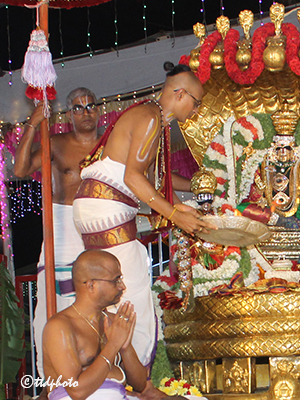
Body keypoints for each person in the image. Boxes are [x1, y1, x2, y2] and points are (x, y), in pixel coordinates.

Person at [72, 62, 215, 394]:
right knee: (132, 294)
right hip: (108, 208)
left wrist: (199, 188)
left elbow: (155, 181)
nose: (196, 110)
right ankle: (140, 385)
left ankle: (117, 378)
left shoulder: (153, 119)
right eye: (196, 102)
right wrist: (175, 215)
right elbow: (133, 178)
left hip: (101, 207)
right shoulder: (151, 117)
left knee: (112, 296)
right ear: (180, 94)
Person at [13, 87, 102, 377]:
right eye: (78, 107)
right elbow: (20, 170)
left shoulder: (110, 144)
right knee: (53, 308)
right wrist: (33, 123)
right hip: (62, 230)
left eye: (90, 106)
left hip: (99, 229)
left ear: (99, 110)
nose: (85, 112)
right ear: (68, 114)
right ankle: (52, 379)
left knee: (99, 301)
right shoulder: (56, 143)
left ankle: (97, 375)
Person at [237, 105, 300, 270]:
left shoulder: (299, 167)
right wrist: (259, 196)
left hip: (296, 213)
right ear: (274, 149)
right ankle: (281, 221)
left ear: (292, 150)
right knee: (240, 209)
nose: (282, 152)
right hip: (269, 213)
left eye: (286, 148)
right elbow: (253, 195)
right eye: (279, 148)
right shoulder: (264, 167)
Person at [43, 250, 147, 400]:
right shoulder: (59, 327)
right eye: (115, 280)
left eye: (120, 279)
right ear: (91, 285)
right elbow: (77, 392)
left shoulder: (113, 321)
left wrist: (125, 348)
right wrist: (113, 345)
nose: (122, 286)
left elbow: (140, 385)